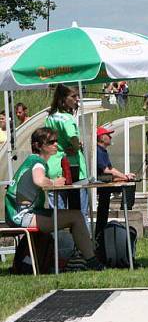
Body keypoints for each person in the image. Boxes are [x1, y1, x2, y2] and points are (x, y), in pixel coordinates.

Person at [4, 128, 103, 270]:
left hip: (19, 213)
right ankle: (93, 262)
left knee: (75, 215)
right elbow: (38, 180)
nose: (55, 144)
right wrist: (53, 183)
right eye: (51, 142)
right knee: (76, 217)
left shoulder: (31, 161)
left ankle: (87, 259)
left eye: (56, 141)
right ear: (38, 146)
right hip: (22, 216)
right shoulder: (38, 162)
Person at [45, 84, 89, 226]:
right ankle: (83, 245)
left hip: (53, 166)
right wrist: (77, 146)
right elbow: (73, 137)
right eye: (74, 96)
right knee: (80, 213)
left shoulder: (51, 117)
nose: (77, 99)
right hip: (72, 167)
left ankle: (60, 245)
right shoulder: (67, 118)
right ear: (63, 99)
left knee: (57, 213)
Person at [95, 126, 136, 247]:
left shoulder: (103, 151)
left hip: (105, 181)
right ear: (102, 138)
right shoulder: (98, 150)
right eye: (108, 135)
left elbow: (111, 169)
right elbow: (107, 170)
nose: (110, 137)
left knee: (104, 209)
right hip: (100, 183)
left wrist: (124, 176)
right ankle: (126, 207)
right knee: (125, 187)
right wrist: (124, 177)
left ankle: (101, 233)